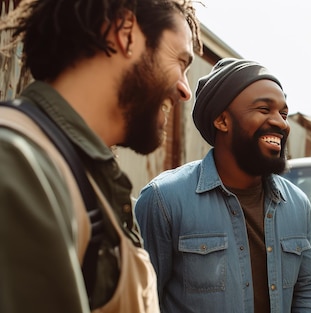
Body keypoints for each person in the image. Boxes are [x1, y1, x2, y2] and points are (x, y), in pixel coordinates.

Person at [0, 1, 202, 312]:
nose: (185, 90)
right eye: (181, 61)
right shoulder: (18, 164)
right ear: (125, 32)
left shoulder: (83, 172)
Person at [134, 58, 311, 313]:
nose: (281, 123)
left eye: (283, 113)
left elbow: (310, 290)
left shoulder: (297, 203)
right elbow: (143, 302)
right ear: (222, 120)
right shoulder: (164, 199)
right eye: (263, 109)